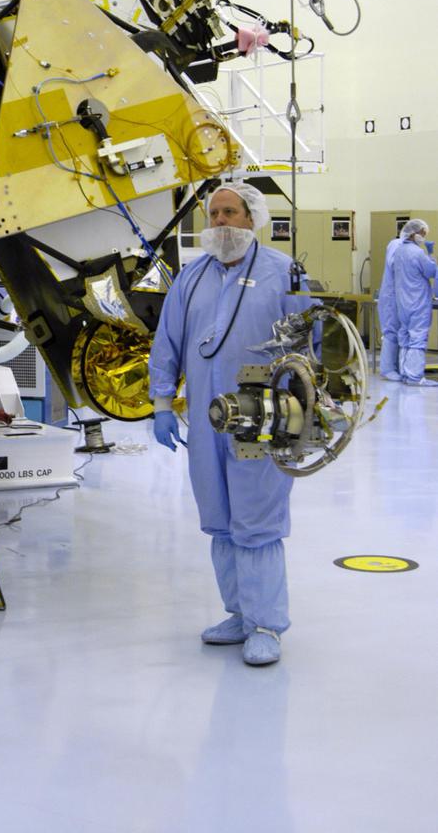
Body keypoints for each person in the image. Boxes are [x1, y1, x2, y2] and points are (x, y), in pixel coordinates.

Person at [149, 181, 311, 667]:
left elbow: (309, 347)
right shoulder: (191, 278)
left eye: (229, 213)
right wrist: (160, 405)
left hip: (265, 420)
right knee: (220, 519)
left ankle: (266, 625)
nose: (219, 222)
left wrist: (302, 413)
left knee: (256, 521)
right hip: (207, 420)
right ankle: (240, 614)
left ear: (251, 217)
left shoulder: (284, 274)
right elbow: (168, 342)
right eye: (213, 214)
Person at [393, 219, 438, 386]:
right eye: (422, 234)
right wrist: (431, 254)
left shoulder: (399, 251)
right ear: (414, 233)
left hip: (403, 302)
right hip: (418, 301)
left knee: (404, 336)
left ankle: (405, 373)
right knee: (418, 338)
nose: (423, 237)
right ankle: (414, 377)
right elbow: (432, 271)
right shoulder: (417, 253)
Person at [377, 231, 403, 381]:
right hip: (391, 297)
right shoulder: (396, 244)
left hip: (399, 297)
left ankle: (398, 367)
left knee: (399, 333)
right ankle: (387, 369)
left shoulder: (405, 247)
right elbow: (395, 264)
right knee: (391, 332)